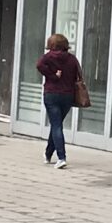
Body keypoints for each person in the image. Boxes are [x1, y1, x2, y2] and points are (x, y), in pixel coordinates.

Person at [35, 31, 82, 169]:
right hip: (67, 96)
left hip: (51, 94)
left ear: (51, 44)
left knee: (56, 125)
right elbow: (79, 74)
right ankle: (48, 154)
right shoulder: (72, 59)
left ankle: (61, 158)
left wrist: (52, 76)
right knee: (57, 124)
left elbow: (39, 65)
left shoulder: (48, 57)